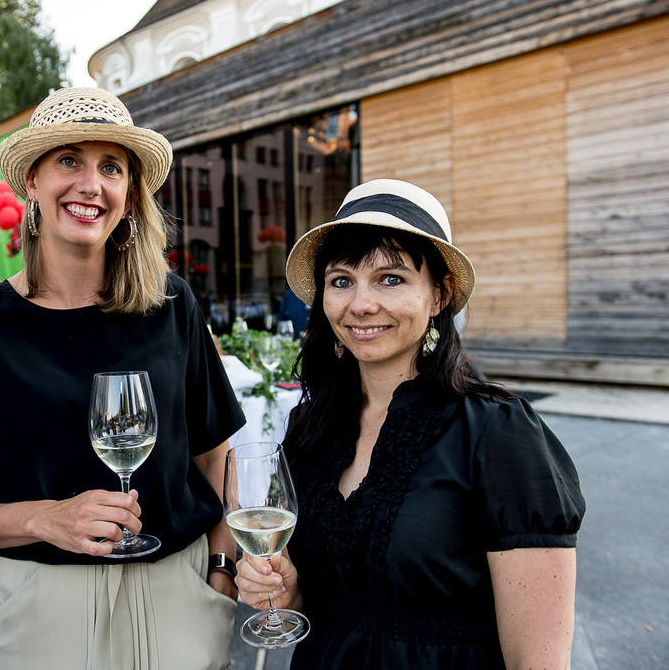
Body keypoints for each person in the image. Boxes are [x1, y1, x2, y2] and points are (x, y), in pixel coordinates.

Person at [0, 87, 245, 669]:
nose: (91, 184)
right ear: (32, 182)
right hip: (44, 608)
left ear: (128, 194)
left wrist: (218, 574)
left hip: (179, 595)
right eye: (69, 160)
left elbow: (215, 455)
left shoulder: (171, 304)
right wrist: (45, 517)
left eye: (111, 167)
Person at [236, 179, 585, 669]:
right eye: (341, 280)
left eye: (391, 279)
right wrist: (287, 590)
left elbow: (539, 661)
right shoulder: (313, 426)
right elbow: (316, 603)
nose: (361, 304)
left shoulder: (501, 435)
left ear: (439, 296)